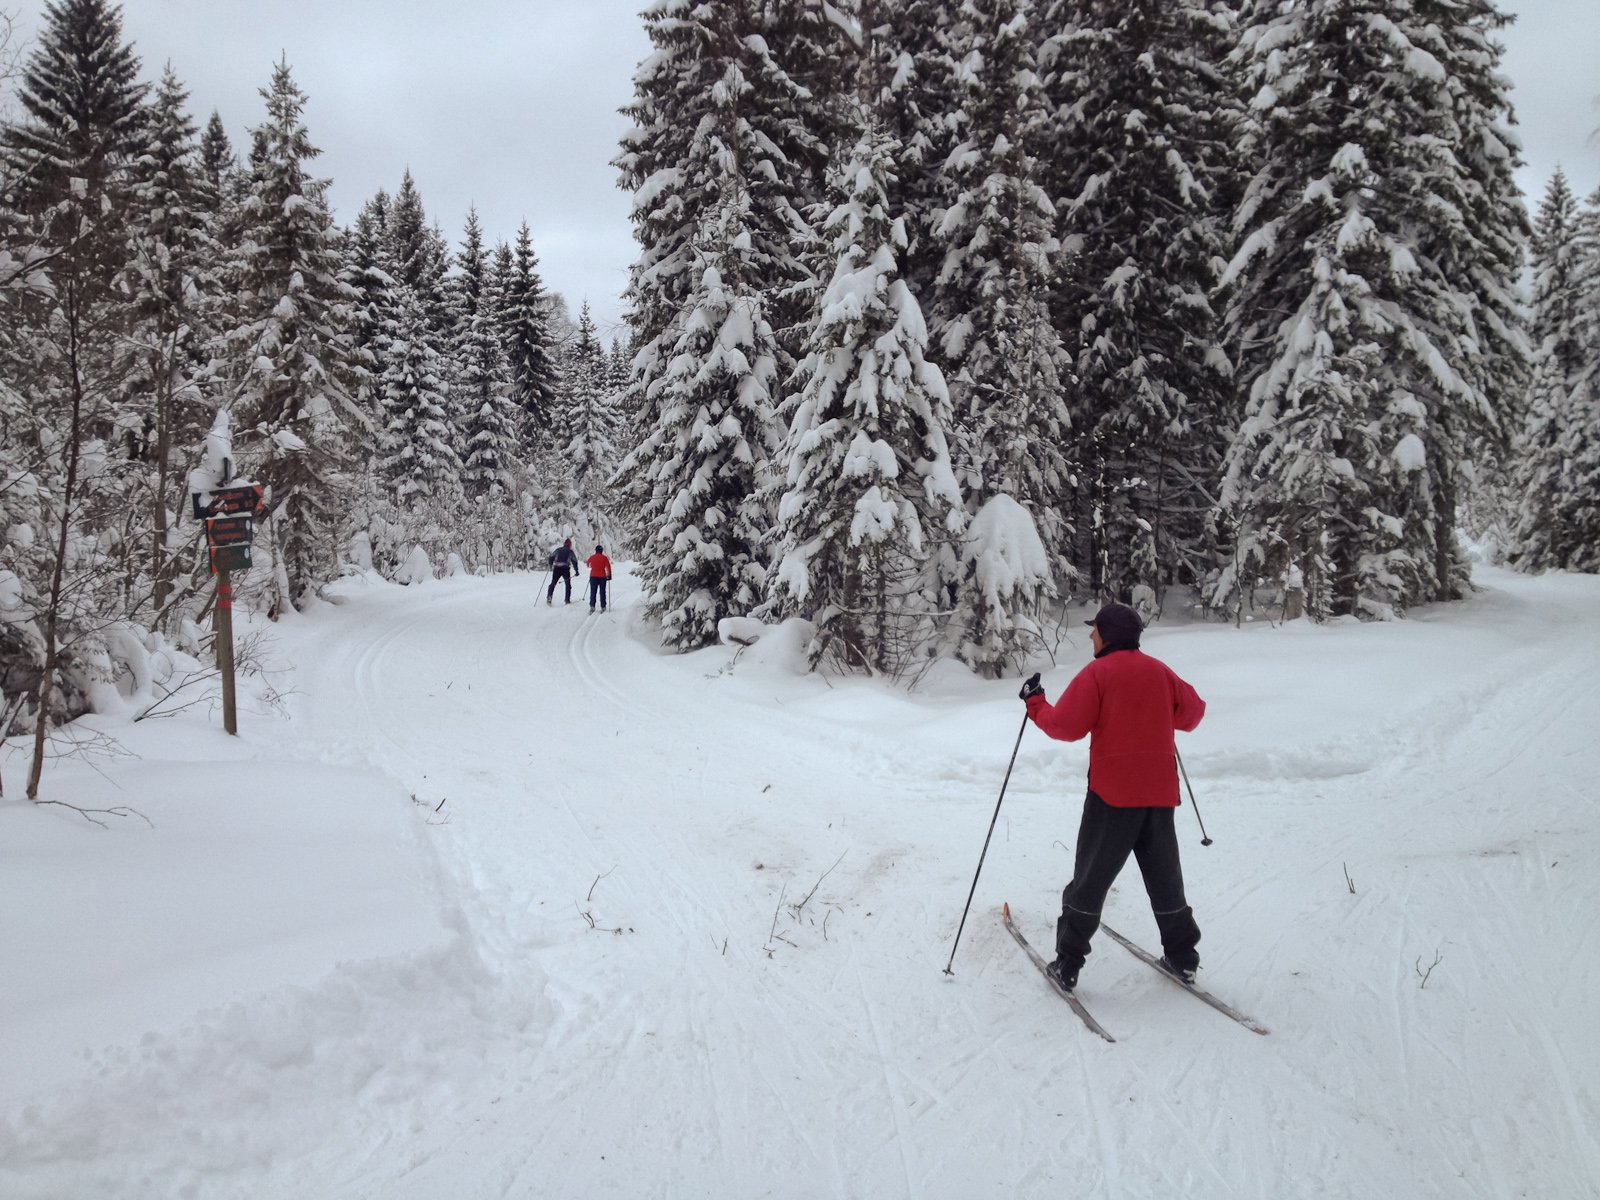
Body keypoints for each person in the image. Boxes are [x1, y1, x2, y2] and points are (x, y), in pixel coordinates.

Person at [1019, 601, 1207, 994]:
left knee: (1091, 881)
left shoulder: (1098, 673)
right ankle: (1182, 958)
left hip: (1112, 799)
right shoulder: (1159, 671)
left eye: (1095, 630)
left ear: (1107, 636)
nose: (1090, 635)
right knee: (1165, 880)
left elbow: (1066, 727)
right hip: (1158, 797)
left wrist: (1035, 703)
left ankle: (1068, 964)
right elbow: (1192, 714)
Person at [547, 538, 579, 605]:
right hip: (565, 568)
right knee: (568, 585)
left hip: (557, 568)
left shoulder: (558, 550)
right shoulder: (570, 551)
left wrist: (550, 564)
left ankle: (549, 597)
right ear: (570, 545)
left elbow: (551, 557)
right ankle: (567, 600)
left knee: (553, 583)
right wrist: (576, 571)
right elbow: (574, 561)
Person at [586, 544, 612, 613]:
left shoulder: (592, 557)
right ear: (601, 551)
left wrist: (593, 566)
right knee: (602, 592)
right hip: (602, 577)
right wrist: (609, 575)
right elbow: (608, 567)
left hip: (593, 576)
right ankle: (603, 606)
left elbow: (588, 564)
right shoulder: (604, 558)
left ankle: (592, 606)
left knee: (593, 591)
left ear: (596, 551)